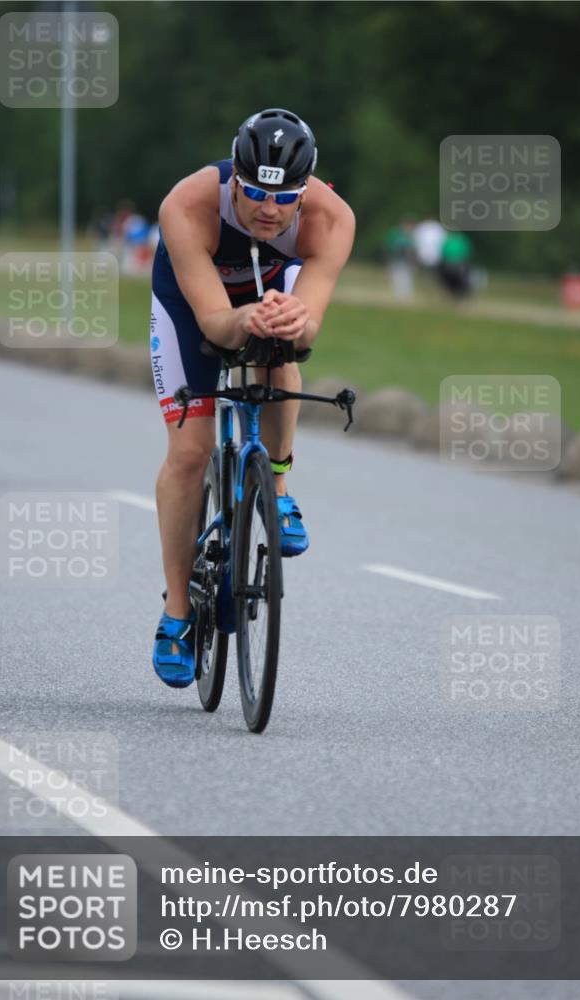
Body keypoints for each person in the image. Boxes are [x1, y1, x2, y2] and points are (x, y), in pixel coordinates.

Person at [149, 108, 355, 688]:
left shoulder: (331, 220)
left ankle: (280, 487)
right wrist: (243, 317)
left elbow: (311, 325)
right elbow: (214, 323)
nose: (269, 209)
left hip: (272, 290)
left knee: (284, 343)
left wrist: (293, 321)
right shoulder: (186, 205)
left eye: (285, 196)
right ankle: (177, 616)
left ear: (307, 189)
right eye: (254, 193)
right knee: (190, 455)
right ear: (234, 179)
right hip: (195, 305)